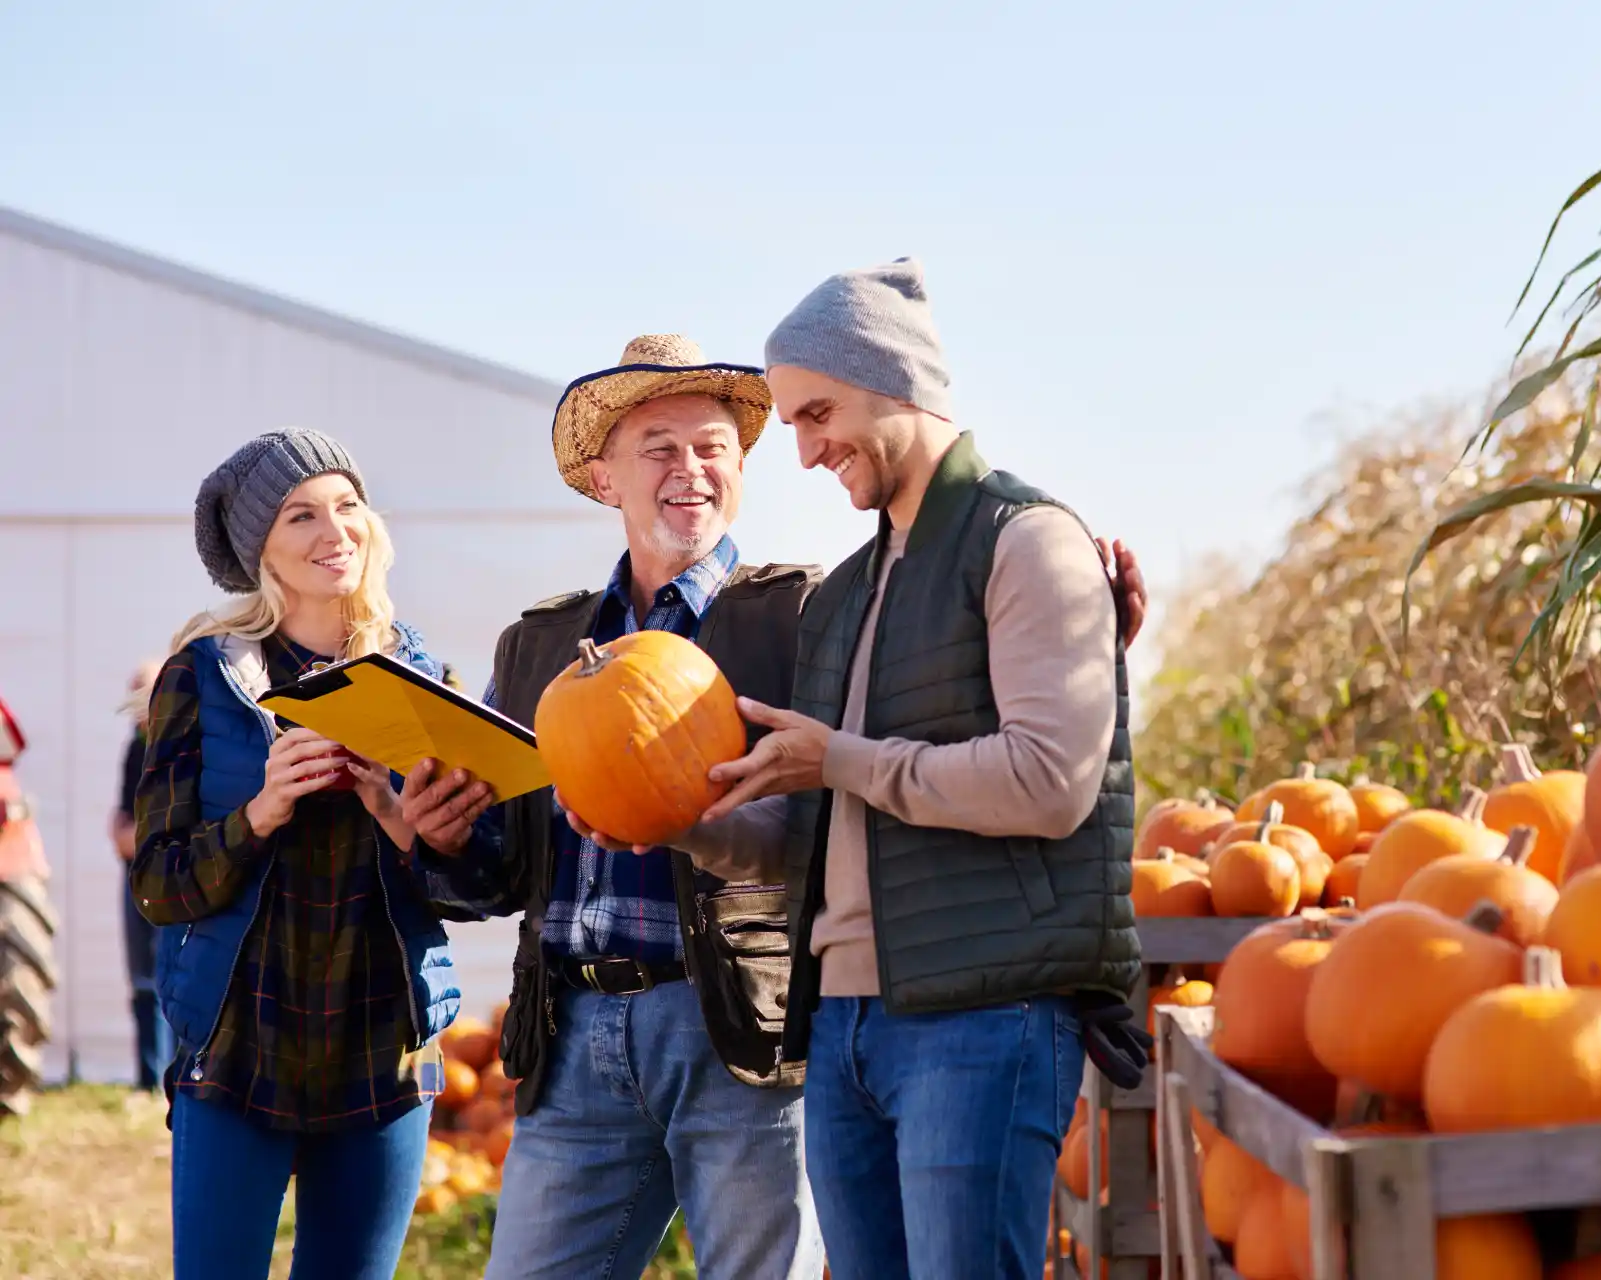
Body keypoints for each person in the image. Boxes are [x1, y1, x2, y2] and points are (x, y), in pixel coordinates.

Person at [399, 333, 1150, 1280]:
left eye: (714, 446)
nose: (692, 470)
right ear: (604, 479)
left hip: (742, 1029)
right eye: (660, 448)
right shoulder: (540, 644)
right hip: (576, 1030)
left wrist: (1090, 638)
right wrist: (442, 840)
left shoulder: (811, 610)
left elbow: (911, 755)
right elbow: (506, 869)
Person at [650, 258, 1145, 1280]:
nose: (803, 448)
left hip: (985, 1017)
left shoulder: (1028, 542)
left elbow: (1050, 781)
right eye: (791, 422)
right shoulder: (840, 598)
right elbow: (817, 836)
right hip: (843, 1030)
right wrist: (678, 818)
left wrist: (841, 756)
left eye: (817, 411)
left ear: (900, 384)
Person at [130, 428, 461, 1280]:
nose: (334, 531)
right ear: (262, 553)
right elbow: (160, 886)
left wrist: (396, 813)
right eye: (300, 515)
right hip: (239, 1049)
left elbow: (478, 883)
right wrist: (263, 810)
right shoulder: (202, 677)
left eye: (348, 506)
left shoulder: (422, 675)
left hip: (383, 1051)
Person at [111, 659, 170, 1091]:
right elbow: (124, 806)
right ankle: (147, 1079)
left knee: (167, 976)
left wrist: (140, 836)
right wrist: (117, 827)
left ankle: (170, 1076)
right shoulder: (135, 746)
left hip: (165, 876)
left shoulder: (176, 746)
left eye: (142, 694)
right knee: (141, 979)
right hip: (133, 873)